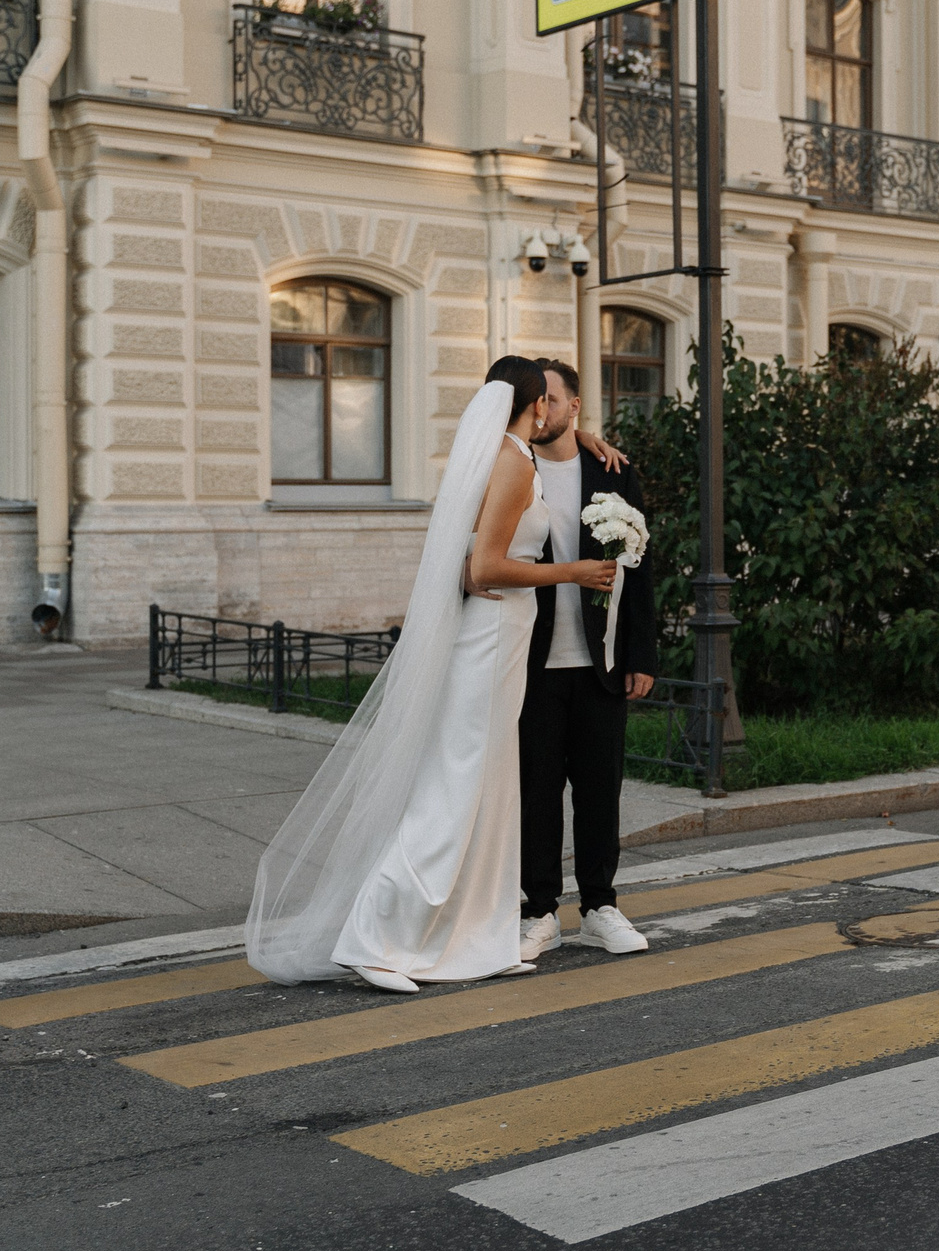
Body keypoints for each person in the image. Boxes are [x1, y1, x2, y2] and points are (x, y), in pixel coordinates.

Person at [245, 356, 617, 993]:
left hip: (504, 641)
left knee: (492, 789)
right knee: (455, 786)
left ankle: (476, 934)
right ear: (534, 406)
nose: (555, 411)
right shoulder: (510, 460)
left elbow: (473, 566)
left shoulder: (503, 452)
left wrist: (584, 441)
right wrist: (572, 573)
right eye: (547, 402)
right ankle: (375, 938)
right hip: (491, 637)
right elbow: (488, 569)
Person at [515, 360, 658, 961]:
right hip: (530, 663)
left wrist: (641, 653)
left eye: (552, 398)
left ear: (575, 406)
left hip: (600, 660)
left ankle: (601, 906)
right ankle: (539, 912)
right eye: (534, 401)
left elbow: (643, 567)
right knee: (537, 793)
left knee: (601, 790)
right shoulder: (512, 467)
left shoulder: (613, 470)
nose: (542, 409)